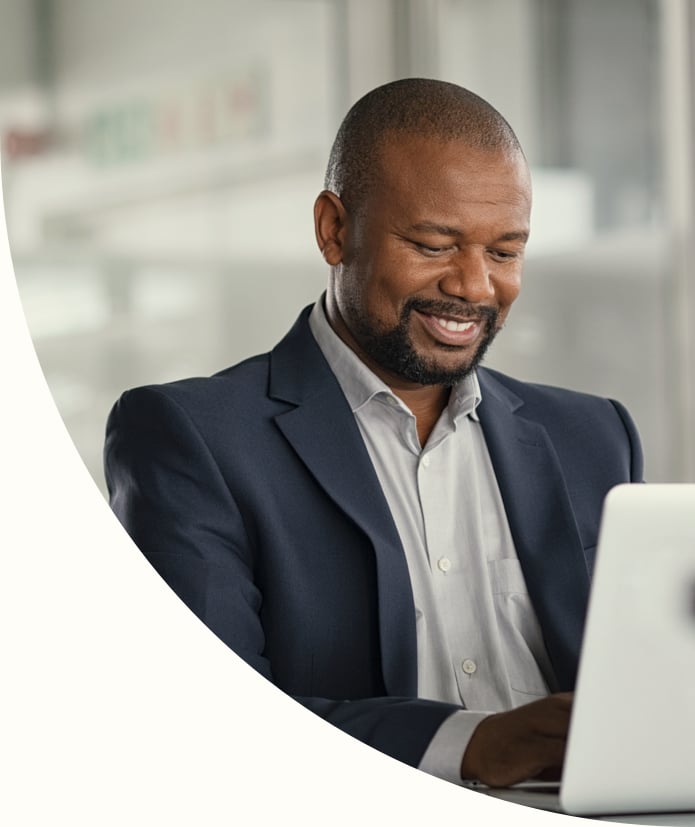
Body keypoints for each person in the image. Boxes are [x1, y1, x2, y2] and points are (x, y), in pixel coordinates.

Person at [104, 78, 643, 788]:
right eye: (432, 243)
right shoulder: (193, 437)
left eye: (505, 253)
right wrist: (467, 743)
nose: (475, 286)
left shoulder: (592, 435)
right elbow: (203, 716)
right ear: (334, 229)